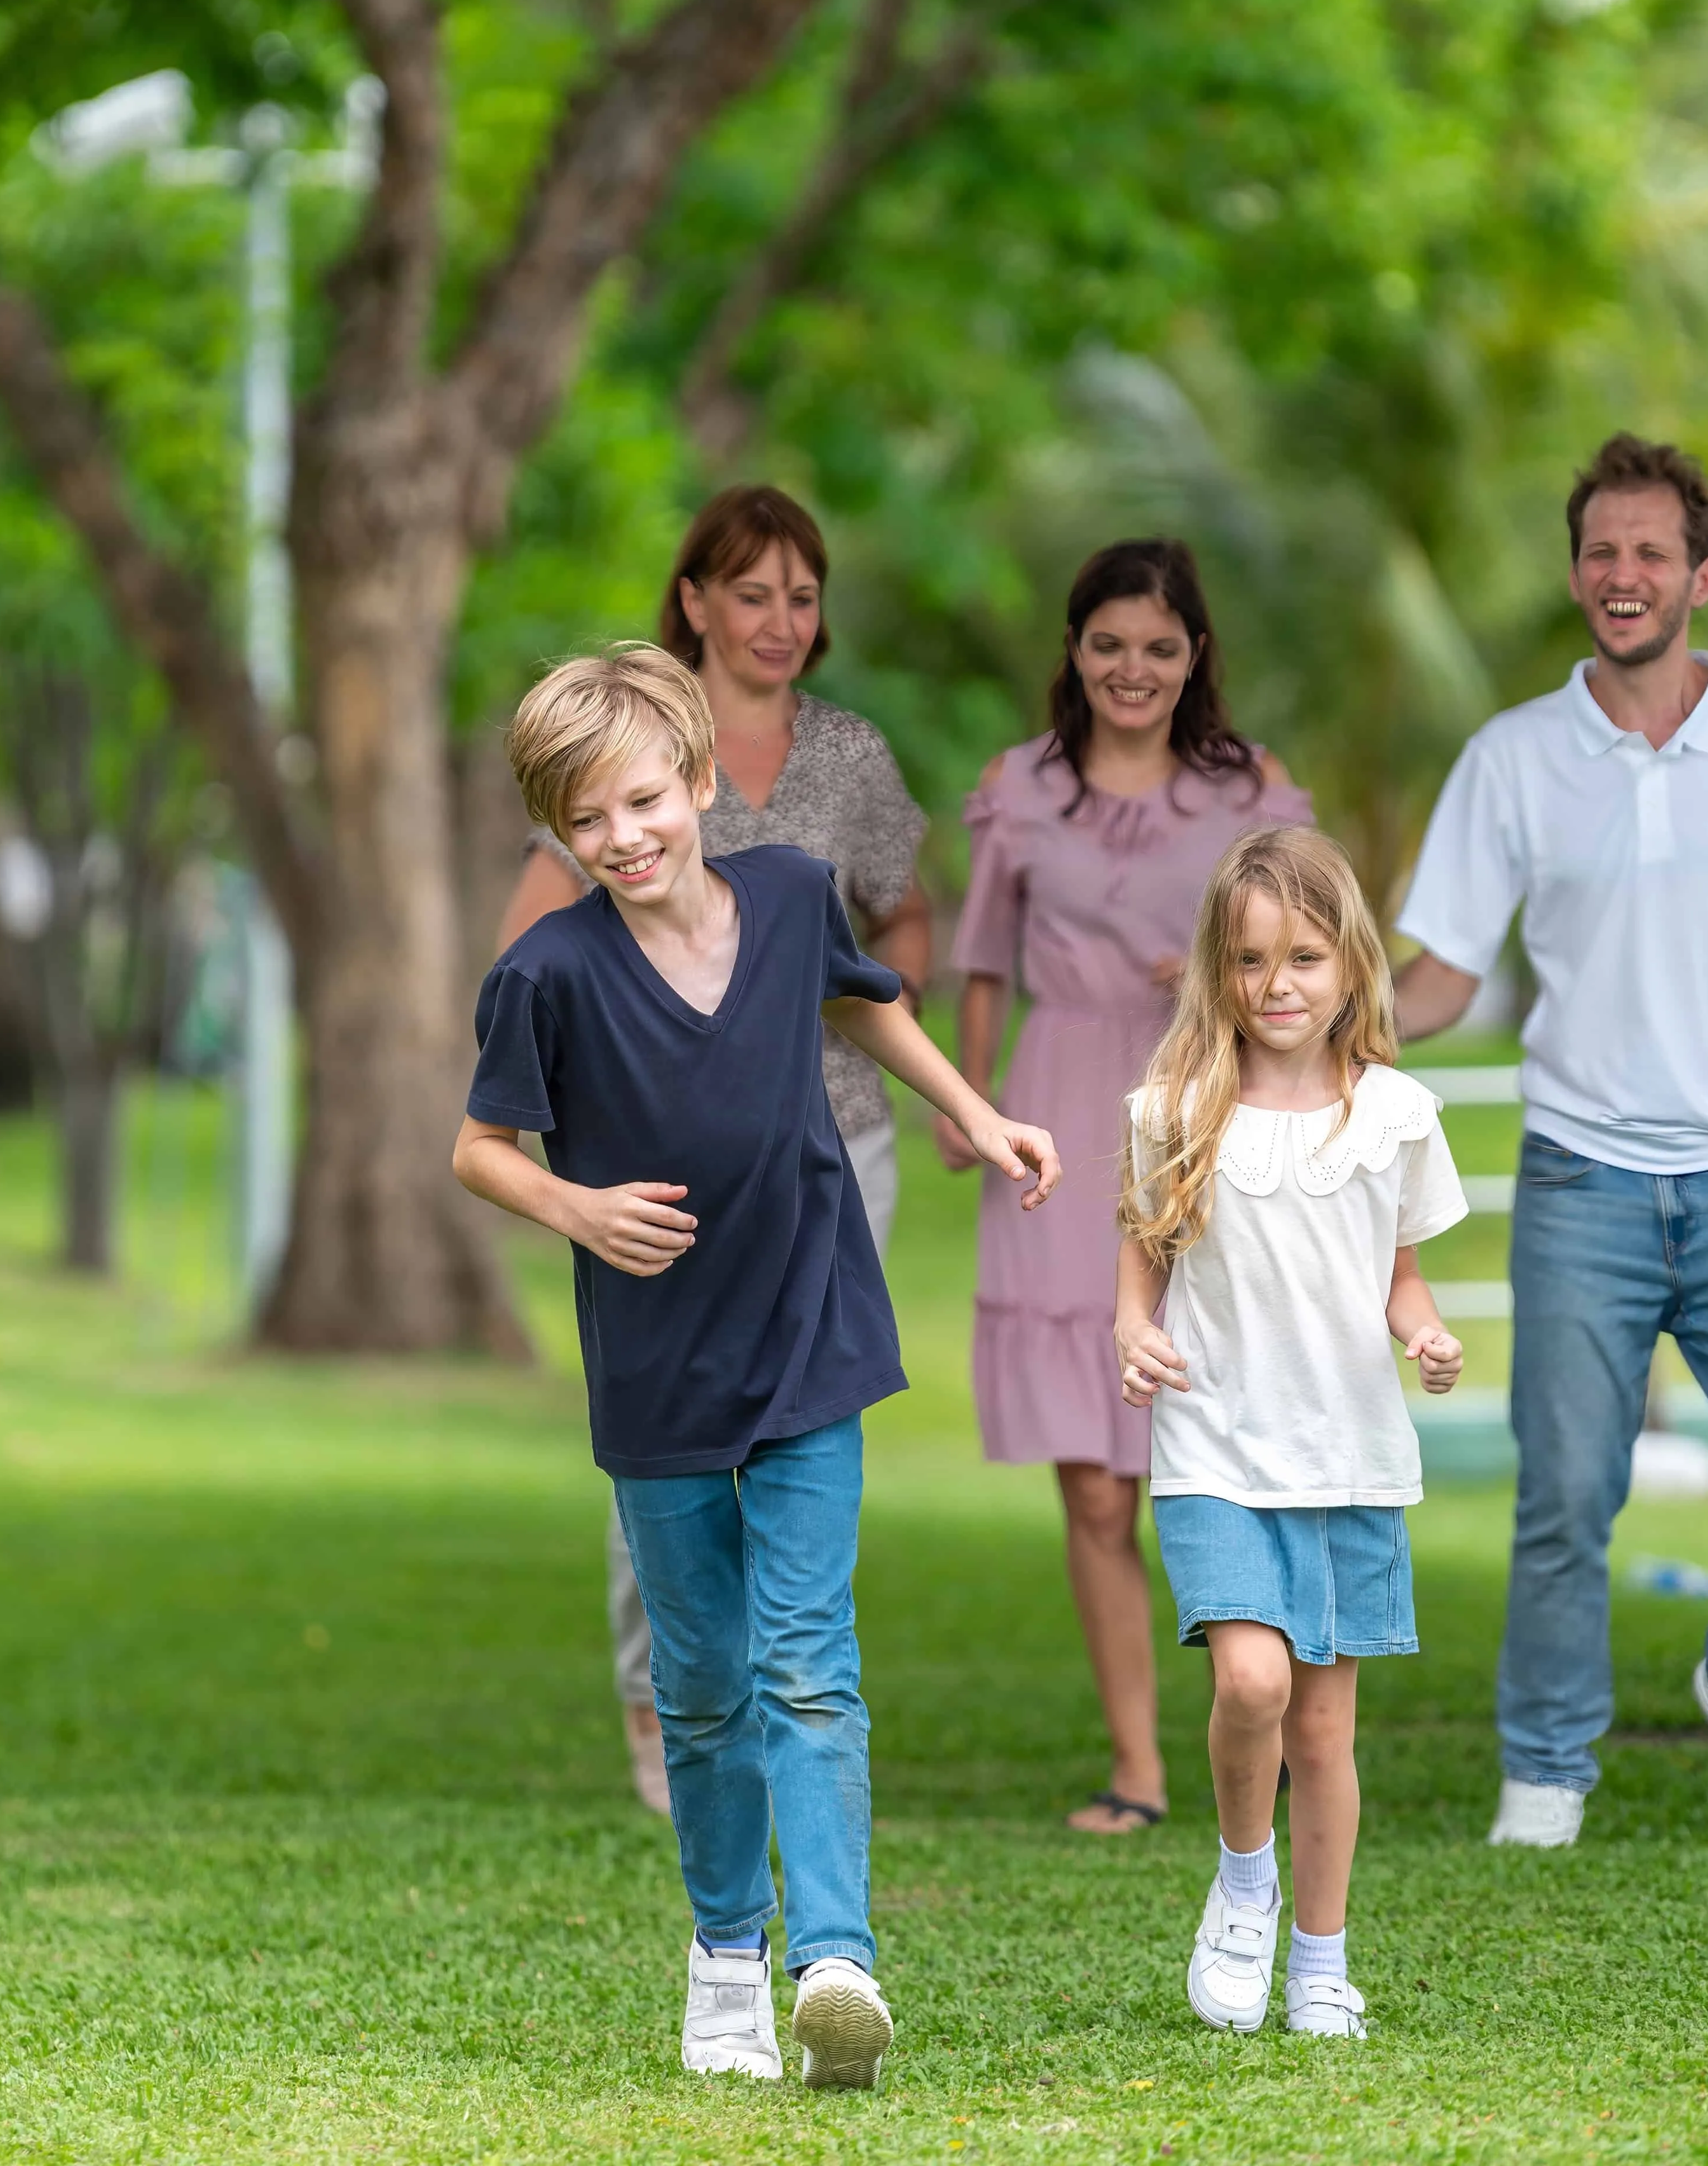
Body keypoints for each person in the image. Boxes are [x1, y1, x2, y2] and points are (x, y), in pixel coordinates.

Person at [455, 646, 1058, 2088]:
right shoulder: (543, 974)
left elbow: (864, 1001)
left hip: (807, 1330)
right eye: (585, 820)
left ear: (697, 782)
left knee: (807, 1658)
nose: (623, 838)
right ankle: (726, 1951)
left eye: (644, 800)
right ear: (560, 828)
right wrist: (578, 1210)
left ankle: (835, 1962)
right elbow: (478, 1149)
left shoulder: (790, 892)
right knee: (704, 1684)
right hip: (658, 1368)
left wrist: (974, 1116)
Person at [1394, 432, 1708, 1851]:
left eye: (1650, 554)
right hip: (1579, 1176)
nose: (1624, 577)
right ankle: (1544, 1774)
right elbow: (1436, 975)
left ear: (1701, 576)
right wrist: (1306, 1029)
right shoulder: (1510, 758)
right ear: (1575, 575)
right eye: (1601, 553)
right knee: (1564, 1496)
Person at [493, 486, 931, 1818]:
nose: (782, 621)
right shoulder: (608, 746)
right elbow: (532, 950)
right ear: (694, 600)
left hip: (828, 1145)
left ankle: (795, 1697)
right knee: (675, 1445)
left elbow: (894, 932)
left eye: (804, 597)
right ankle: (671, 1702)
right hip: (658, 1174)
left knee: (798, 1431)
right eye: (754, 594)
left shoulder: (847, 757)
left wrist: (933, 1082)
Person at [938, 538, 1312, 1833]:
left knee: (1202, 1451)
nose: (1131, 670)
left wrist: (1222, 983)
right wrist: (969, 1100)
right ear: (1072, 651)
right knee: (1094, 1485)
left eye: (1158, 647)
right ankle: (1140, 1769)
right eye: (1106, 645)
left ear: (1194, 656)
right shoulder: (1018, 789)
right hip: (1050, 1112)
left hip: (1205, 1108)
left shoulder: (1249, 791)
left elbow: (1304, 949)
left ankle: (1248, 1732)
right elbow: (980, 957)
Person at [1113, 826, 1467, 2040]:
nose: (1277, 985)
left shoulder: (1398, 1116)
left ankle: (1320, 1964)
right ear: (1219, 968)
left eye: (1304, 958)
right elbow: (1141, 1254)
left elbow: (1399, 1278)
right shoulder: (1171, 1109)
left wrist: (1421, 1335)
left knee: (1323, 1727)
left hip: (1348, 1459)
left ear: (1349, 967)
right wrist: (1129, 1328)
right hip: (1215, 1449)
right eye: (1253, 959)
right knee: (1252, 1682)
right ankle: (1242, 1878)